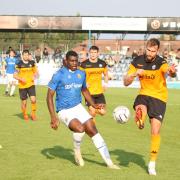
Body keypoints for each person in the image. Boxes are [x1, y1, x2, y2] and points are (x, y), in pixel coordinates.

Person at [46, 50, 119, 169]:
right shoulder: (58, 75)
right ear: (66, 61)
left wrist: (94, 105)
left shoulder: (81, 73)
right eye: (72, 61)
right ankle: (77, 152)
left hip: (78, 107)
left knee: (92, 129)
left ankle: (110, 163)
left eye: (76, 61)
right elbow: (49, 96)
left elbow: (84, 90)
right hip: (64, 110)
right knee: (80, 129)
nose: (75, 63)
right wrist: (53, 117)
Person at [123, 38, 177, 175]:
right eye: (148, 50)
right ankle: (140, 118)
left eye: (153, 51)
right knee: (141, 108)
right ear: (145, 48)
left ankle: (152, 163)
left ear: (157, 51)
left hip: (159, 98)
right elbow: (125, 82)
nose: (150, 53)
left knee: (155, 131)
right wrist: (135, 74)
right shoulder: (137, 62)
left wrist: (172, 72)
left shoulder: (161, 62)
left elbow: (170, 72)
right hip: (143, 94)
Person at [80, 46, 108, 121]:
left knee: (103, 112)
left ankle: (87, 115)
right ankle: (90, 122)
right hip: (88, 92)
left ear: (98, 53)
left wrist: (105, 84)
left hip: (99, 92)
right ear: (89, 53)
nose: (93, 54)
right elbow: (79, 76)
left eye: (95, 52)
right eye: (91, 52)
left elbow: (106, 75)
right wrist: (84, 84)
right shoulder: (83, 64)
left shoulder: (103, 63)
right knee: (92, 112)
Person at [13, 50, 39, 121]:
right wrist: (21, 79)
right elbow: (14, 75)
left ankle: (33, 115)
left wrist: (35, 76)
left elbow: (36, 73)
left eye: (27, 55)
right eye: (24, 55)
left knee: (33, 100)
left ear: (28, 55)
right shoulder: (19, 64)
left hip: (31, 85)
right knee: (24, 103)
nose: (26, 56)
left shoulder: (32, 63)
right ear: (22, 56)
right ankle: (24, 114)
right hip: (22, 86)